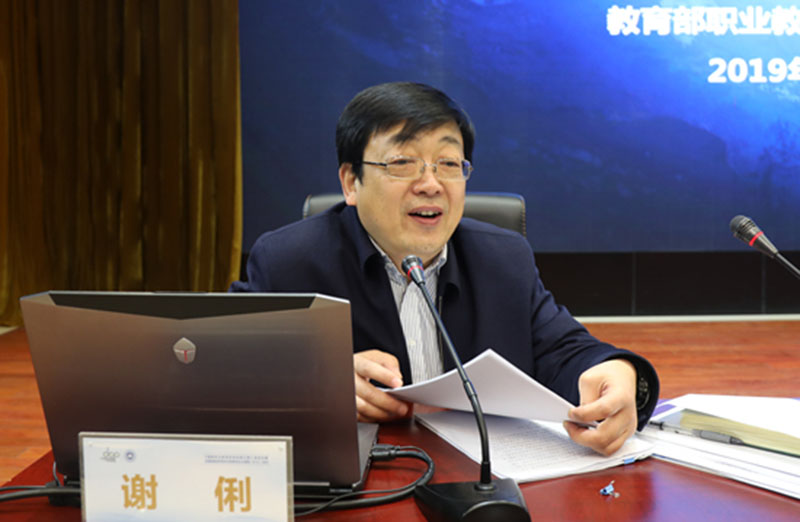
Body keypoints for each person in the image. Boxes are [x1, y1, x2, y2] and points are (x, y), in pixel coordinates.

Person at [231, 82, 659, 456]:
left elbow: (563, 350)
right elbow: (224, 369)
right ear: (350, 183)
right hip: (361, 488)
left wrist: (620, 375)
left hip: (480, 480)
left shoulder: (503, 258)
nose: (431, 184)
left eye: (449, 164)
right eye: (402, 163)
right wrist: (317, 382)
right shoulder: (288, 262)